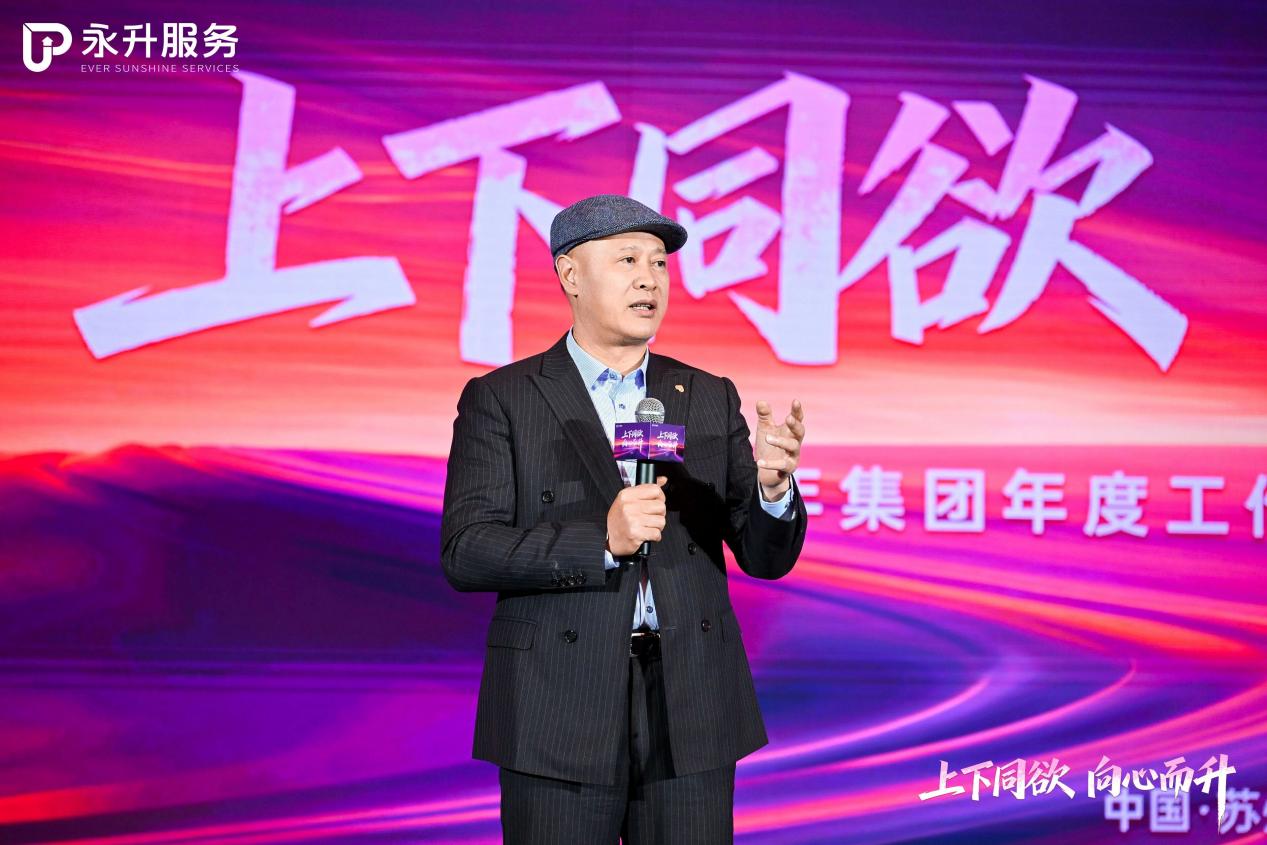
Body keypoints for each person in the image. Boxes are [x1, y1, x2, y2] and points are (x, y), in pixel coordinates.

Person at [440, 194, 808, 844]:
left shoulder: (706, 395)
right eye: (628, 260)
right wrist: (600, 542)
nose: (649, 279)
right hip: (558, 702)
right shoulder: (503, 398)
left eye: (659, 263)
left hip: (689, 704)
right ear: (570, 275)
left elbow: (764, 556)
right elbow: (467, 550)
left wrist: (774, 490)